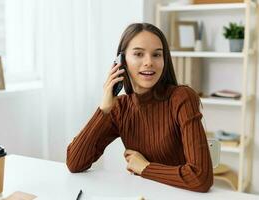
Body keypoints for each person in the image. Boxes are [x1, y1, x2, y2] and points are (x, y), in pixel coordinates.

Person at [66, 23, 213, 192]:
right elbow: (74, 163)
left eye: (157, 54)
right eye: (138, 54)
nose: (149, 62)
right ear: (121, 62)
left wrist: (145, 167)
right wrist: (103, 110)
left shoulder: (181, 98)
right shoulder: (120, 108)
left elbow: (200, 177)